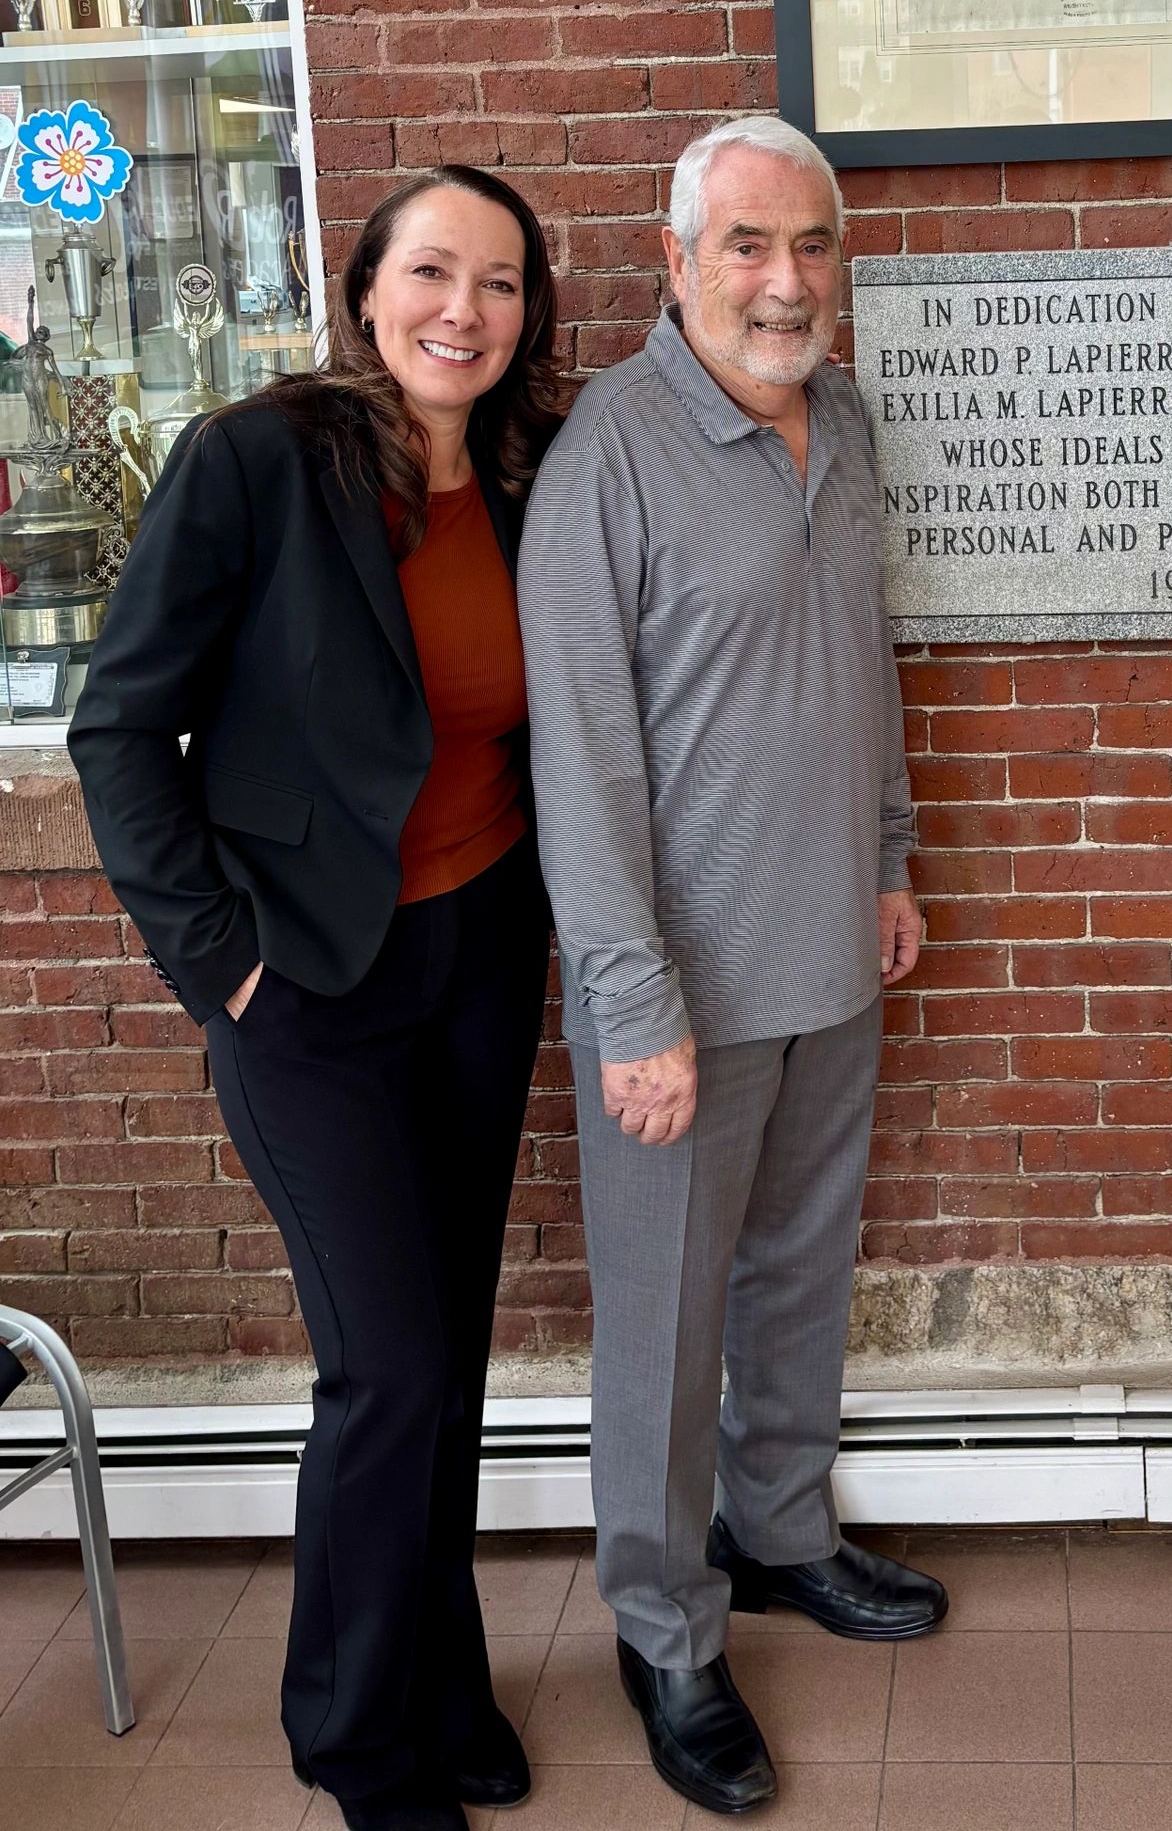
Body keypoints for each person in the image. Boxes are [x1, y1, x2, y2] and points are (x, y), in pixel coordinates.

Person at [70, 167, 563, 1831]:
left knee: (452, 1361)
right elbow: (120, 731)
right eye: (433, 271)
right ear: (365, 291)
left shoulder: (524, 470)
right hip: (307, 987)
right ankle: (357, 1741)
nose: (464, 311)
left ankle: (441, 1675)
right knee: (388, 1367)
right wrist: (220, 964)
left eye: (500, 284)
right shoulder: (256, 461)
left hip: (480, 958)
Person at [518, 114, 945, 1816]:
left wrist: (893, 855)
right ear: (677, 261)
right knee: (665, 1324)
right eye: (750, 246)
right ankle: (663, 1626)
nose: (787, 280)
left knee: (792, 1279)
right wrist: (631, 1006)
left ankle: (776, 1533)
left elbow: (867, 660)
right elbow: (585, 766)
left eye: (813, 245)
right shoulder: (606, 460)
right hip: (676, 1002)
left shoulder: (840, 420)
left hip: (833, 949)